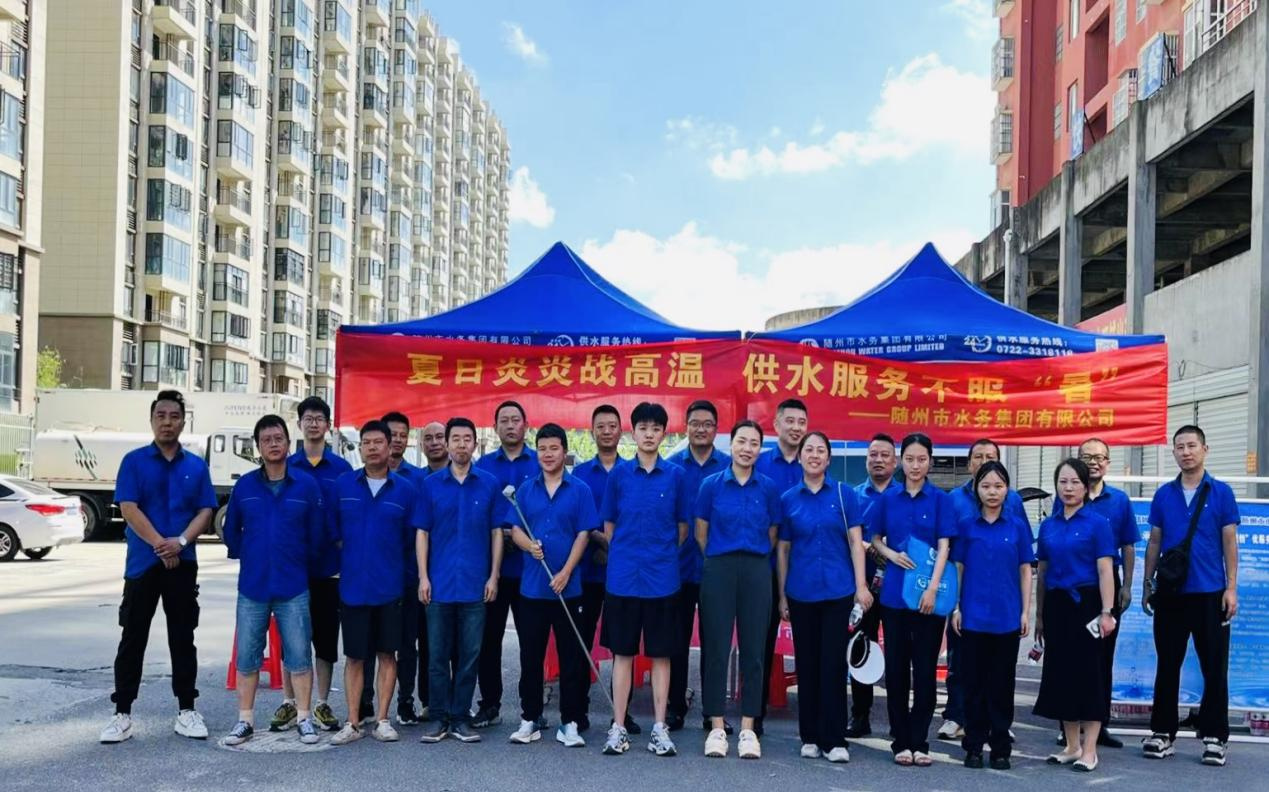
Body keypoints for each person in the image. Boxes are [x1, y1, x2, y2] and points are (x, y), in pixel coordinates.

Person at [100, 390, 217, 744]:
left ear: (183, 421)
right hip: (142, 564)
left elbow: (206, 511)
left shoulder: (196, 466)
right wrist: (160, 544)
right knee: (132, 637)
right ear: (152, 420)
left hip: (183, 563)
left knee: (183, 637)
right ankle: (122, 713)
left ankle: (187, 710)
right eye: (161, 416)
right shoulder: (134, 461)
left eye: (174, 416)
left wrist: (179, 542)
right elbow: (129, 508)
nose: (167, 422)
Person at [221, 415, 327, 746]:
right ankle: (245, 720)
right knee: (247, 657)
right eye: (266, 439)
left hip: (293, 586)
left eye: (278, 438)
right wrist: (250, 554)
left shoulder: (306, 486)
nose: (273, 444)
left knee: (299, 656)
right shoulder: (245, 486)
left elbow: (317, 534)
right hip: (253, 586)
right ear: (258, 447)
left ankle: (304, 718)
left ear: (288, 443)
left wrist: (299, 561)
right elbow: (231, 531)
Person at [1142, 425, 1240, 767]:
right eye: (1179, 447)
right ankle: (1162, 732)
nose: (1186, 452)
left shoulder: (1221, 492)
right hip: (1170, 594)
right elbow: (1155, 541)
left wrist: (1231, 587)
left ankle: (1215, 736)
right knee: (1168, 664)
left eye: (1191, 446)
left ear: (1205, 449)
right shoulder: (1164, 495)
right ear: (1173, 452)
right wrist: (1147, 583)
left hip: (1210, 592)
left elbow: (1229, 541)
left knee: (1214, 666)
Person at [328, 421, 428, 746]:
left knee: (388, 654)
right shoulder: (343, 486)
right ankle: (353, 722)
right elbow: (334, 532)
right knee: (355, 657)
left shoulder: (406, 490)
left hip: (390, 587)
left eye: (378, 442)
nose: (372, 448)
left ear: (390, 446)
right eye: (366, 442)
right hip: (354, 587)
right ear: (360, 448)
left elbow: (412, 539)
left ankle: (383, 719)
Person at [600, 401, 690, 757]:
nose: (649, 434)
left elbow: (682, 529)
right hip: (623, 578)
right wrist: (630, 554)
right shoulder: (618, 476)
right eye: (643, 428)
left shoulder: (676, 476)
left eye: (656, 428)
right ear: (633, 432)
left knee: (661, 655)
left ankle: (659, 728)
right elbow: (609, 526)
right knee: (622, 653)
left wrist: (658, 554)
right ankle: (619, 727)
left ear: (664, 433)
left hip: (662, 579)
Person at [776, 431, 872, 764]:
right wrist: (782, 595)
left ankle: (834, 739)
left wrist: (861, 586)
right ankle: (810, 736)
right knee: (807, 664)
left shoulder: (845, 495)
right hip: (801, 592)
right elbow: (783, 550)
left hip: (838, 591)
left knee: (833, 665)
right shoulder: (789, 499)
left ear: (829, 459)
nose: (814, 455)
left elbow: (856, 543)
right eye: (809, 450)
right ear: (800, 456)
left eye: (821, 451)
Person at [867, 432, 956, 766]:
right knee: (897, 670)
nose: (915, 466)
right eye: (909, 459)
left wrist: (932, 589)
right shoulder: (889, 498)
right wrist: (891, 554)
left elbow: (945, 546)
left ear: (930, 462)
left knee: (925, 670)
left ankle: (921, 741)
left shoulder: (941, 500)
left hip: (929, 598)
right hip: (894, 596)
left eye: (921, 459)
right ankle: (900, 741)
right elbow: (875, 538)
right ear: (900, 461)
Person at [507, 423, 597, 748]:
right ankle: (529, 718)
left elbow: (584, 534)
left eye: (553, 448)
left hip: (568, 590)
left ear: (564, 451)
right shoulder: (525, 489)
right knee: (531, 657)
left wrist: (566, 572)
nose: (547, 454)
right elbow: (515, 529)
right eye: (542, 448)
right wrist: (527, 545)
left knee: (571, 658)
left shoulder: (580, 490)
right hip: (532, 590)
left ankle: (570, 722)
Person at [695, 420, 781, 759]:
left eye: (754, 443)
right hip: (719, 567)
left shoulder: (768, 488)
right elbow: (701, 533)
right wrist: (721, 560)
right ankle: (716, 726)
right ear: (730, 445)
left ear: (760, 448)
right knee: (716, 647)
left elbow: (772, 534)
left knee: (754, 650)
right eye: (741, 441)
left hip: (757, 569)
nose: (747, 448)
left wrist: (751, 560)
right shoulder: (711, 486)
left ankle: (748, 728)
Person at [417, 417, 505, 745]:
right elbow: (422, 533)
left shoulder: (489, 484)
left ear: (475, 444)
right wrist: (423, 577)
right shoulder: (430, 485)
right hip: (439, 585)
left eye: (467, 439)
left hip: (475, 585)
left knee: (470, 657)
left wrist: (494, 576)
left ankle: (460, 718)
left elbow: (497, 533)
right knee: (437, 656)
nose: (461, 444)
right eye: (455, 439)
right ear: (447, 444)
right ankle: (438, 718)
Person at [940, 438, 1029, 741]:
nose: (984, 461)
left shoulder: (1013, 503)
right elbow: (952, 555)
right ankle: (957, 716)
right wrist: (954, 603)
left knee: (999, 671)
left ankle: (997, 724)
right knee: (960, 663)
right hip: (967, 598)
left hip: (1003, 602)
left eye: (990, 456)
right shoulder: (955, 500)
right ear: (969, 464)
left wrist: (1024, 609)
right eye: (978, 456)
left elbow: (1023, 560)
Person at [1033, 458, 1117, 772]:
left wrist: (1107, 611)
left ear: (1085, 486)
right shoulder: (1049, 525)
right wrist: (1039, 615)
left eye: (1075, 482)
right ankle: (1071, 745)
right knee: (1061, 675)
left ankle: (1090, 750)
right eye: (1063, 482)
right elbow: (1042, 572)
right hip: (1056, 605)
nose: (1068, 488)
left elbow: (1105, 570)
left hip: (1088, 605)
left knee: (1089, 676)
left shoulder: (1098, 523)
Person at [279, 395, 352, 732]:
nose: (313, 424)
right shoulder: (287, 465)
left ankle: (322, 702)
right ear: (299, 424)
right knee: (292, 638)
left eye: (319, 418)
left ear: (328, 425)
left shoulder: (341, 469)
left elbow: (348, 514)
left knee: (324, 638)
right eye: (307, 418)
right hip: (293, 568)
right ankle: (289, 702)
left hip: (329, 568)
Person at [472, 400, 538, 729]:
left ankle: (532, 709)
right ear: (496, 427)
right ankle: (490, 704)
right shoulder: (483, 466)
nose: (510, 426)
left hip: (531, 570)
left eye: (516, 420)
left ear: (526, 424)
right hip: (492, 571)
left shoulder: (541, 462)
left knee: (531, 643)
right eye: (504, 421)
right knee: (489, 641)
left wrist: (520, 538)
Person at [666, 399, 730, 734]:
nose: (701, 429)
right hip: (677, 569)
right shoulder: (671, 468)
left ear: (716, 429)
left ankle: (713, 711)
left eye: (707, 424)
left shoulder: (731, 468)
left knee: (715, 643)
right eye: (695, 423)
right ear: (686, 426)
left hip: (716, 571)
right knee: (675, 642)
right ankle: (675, 707)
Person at [1077, 437, 1138, 750]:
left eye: (1100, 457)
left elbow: (1128, 546)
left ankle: (1099, 725)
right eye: (1087, 457)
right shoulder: (1068, 495)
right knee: (1074, 657)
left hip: (1108, 586)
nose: (1094, 463)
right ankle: (1071, 725)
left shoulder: (1119, 500)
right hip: (1074, 585)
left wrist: (1126, 586)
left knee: (1103, 657)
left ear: (1108, 463)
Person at [753, 397, 808, 736]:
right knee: (760, 643)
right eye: (790, 421)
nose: (796, 428)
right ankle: (753, 715)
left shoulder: (813, 462)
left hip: (804, 571)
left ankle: (813, 722)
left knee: (809, 646)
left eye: (802, 422)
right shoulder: (758, 463)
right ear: (776, 425)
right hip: (765, 567)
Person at [571, 404, 623, 734]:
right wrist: (601, 542)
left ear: (621, 431)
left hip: (621, 577)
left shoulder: (632, 471)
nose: (606, 431)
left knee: (622, 647)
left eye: (612, 426)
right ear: (592, 432)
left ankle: (622, 714)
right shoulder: (579, 475)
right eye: (600, 426)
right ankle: (578, 710)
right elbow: (577, 520)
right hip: (587, 575)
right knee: (581, 643)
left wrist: (612, 548)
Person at [378, 410, 428, 727]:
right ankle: (367, 701)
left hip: (408, 575)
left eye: (402, 435)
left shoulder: (419, 479)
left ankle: (406, 701)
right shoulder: (365, 478)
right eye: (391, 434)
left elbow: (422, 530)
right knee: (374, 645)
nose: (397, 439)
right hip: (377, 577)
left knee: (408, 645)